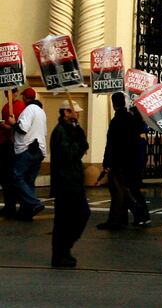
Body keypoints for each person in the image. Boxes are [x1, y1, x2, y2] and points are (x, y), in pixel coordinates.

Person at [100, 91, 149, 229]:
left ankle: (119, 219)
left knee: (118, 191)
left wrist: (106, 162)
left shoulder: (116, 121)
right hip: (131, 161)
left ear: (114, 104)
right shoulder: (132, 119)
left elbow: (111, 143)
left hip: (118, 161)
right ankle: (130, 217)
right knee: (126, 190)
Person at [49, 101, 90, 268]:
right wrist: (79, 143)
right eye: (75, 111)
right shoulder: (60, 132)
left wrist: (79, 136)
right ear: (66, 112)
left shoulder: (70, 130)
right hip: (65, 182)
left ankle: (65, 248)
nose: (78, 114)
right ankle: (60, 253)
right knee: (64, 220)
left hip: (73, 181)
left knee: (81, 214)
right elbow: (67, 155)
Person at [11, 87, 47, 219]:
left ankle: (34, 203)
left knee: (17, 176)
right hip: (40, 150)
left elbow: (22, 129)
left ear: (26, 98)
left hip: (28, 148)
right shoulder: (41, 111)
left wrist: (13, 123)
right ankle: (27, 211)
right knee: (29, 180)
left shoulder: (29, 109)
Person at [0, 92, 25, 217]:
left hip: (13, 144)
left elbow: (20, 127)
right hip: (5, 143)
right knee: (5, 178)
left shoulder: (20, 106)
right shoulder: (5, 106)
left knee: (10, 177)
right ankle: (9, 205)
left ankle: (13, 206)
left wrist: (8, 127)